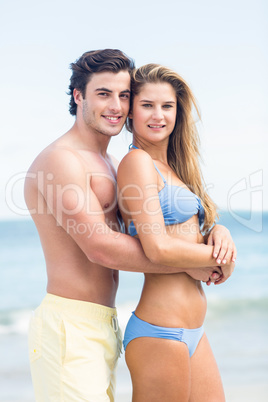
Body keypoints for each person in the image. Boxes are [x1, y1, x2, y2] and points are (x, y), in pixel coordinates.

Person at [24, 50, 236, 401]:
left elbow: (159, 227)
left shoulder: (109, 163)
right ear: (78, 96)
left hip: (104, 319)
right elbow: (100, 247)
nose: (116, 106)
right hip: (69, 324)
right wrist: (198, 260)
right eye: (104, 94)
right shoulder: (62, 160)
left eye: (123, 95)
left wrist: (215, 232)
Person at [117, 64, 236, 401]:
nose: (158, 115)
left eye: (167, 106)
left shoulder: (174, 168)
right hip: (160, 331)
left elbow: (186, 232)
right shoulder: (137, 162)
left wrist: (220, 231)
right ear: (130, 112)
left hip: (193, 330)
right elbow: (158, 248)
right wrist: (219, 259)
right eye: (147, 105)